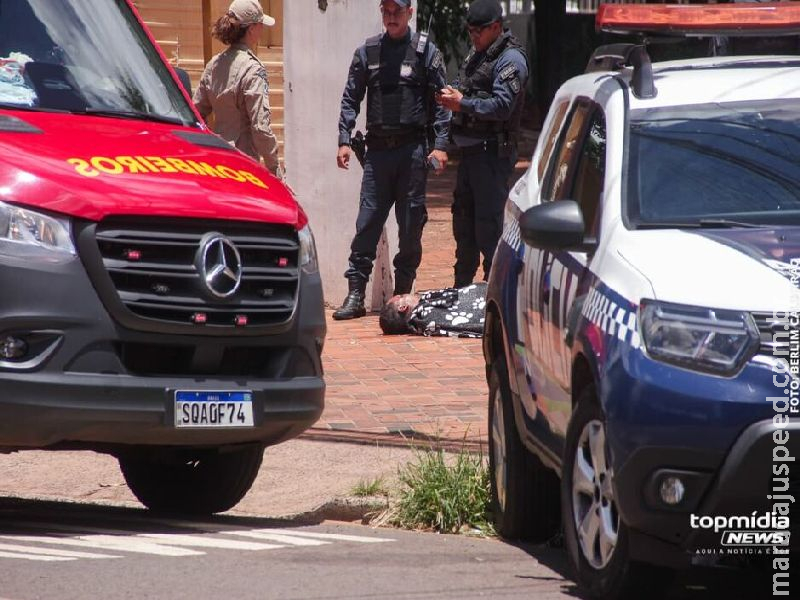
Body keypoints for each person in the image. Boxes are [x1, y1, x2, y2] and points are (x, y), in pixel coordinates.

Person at [333, 0, 451, 320]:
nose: (390, 18)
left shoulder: (425, 51)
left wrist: (440, 145)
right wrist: (344, 139)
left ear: (409, 12)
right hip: (378, 155)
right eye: (385, 11)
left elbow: (442, 102)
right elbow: (350, 98)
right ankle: (355, 293)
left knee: (411, 224)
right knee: (368, 222)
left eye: (396, 11)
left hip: (412, 153)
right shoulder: (368, 52)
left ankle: (402, 291)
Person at [436, 0, 529, 288]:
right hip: (470, 154)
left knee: (489, 228)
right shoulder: (477, 55)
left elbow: (502, 106)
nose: (473, 37)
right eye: (470, 32)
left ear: (496, 28)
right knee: (464, 224)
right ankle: (461, 289)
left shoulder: (510, 60)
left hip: (491, 156)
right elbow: (467, 84)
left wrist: (462, 104)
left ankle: (494, 293)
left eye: (478, 31)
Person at [193, 0, 282, 178]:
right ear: (251, 29)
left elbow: (195, 112)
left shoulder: (214, 65)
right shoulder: (252, 69)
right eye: (260, 25)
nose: (262, 30)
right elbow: (261, 128)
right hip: (243, 165)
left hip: (217, 160)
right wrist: (275, 170)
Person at [379, 282, 487, 338]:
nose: (406, 294)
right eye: (402, 296)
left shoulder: (425, 316)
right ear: (402, 307)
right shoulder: (426, 316)